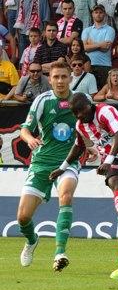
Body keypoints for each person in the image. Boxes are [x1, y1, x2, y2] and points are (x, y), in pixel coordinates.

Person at [50, 93, 118, 279]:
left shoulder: (105, 111)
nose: (79, 116)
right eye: (75, 113)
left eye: (81, 111)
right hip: (113, 163)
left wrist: (108, 161)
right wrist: (62, 168)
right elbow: (78, 147)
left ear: (89, 105)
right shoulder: (80, 126)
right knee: (115, 182)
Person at [15, 61, 82, 272]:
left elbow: (93, 126)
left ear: (70, 78)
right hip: (42, 162)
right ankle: (32, 240)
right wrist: (30, 140)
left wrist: (91, 146)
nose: (60, 81)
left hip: (68, 161)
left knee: (66, 196)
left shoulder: (81, 100)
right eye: (56, 77)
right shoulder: (42, 101)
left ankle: (60, 252)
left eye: (64, 76)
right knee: (23, 217)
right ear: (50, 79)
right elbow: (24, 130)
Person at [82, 5, 116, 87]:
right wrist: (100, 44)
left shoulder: (110, 29)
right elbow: (84, 48)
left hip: (104, 66)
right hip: (88, 65)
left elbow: (105, 48)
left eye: (101, 12)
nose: (98, 14)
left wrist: (91, 44)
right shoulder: (86, 30)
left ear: (104, 14)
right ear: (92, 14)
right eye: (96, 12)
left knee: (102, 93)